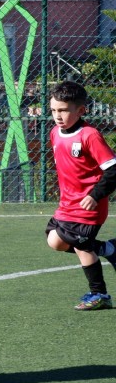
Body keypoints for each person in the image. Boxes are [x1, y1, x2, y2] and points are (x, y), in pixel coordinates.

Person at [44, 81, 116, 310]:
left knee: (82, 246)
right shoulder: (55, 133)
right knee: (55, 240)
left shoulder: (89, 135)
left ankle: (100, 295)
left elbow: (113, 169)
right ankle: (110, 249)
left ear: (80, 110)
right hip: (67, 204)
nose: (58, 115)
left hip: (89, 206)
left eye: (64, 110)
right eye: (54, 110)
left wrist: (95, 195)